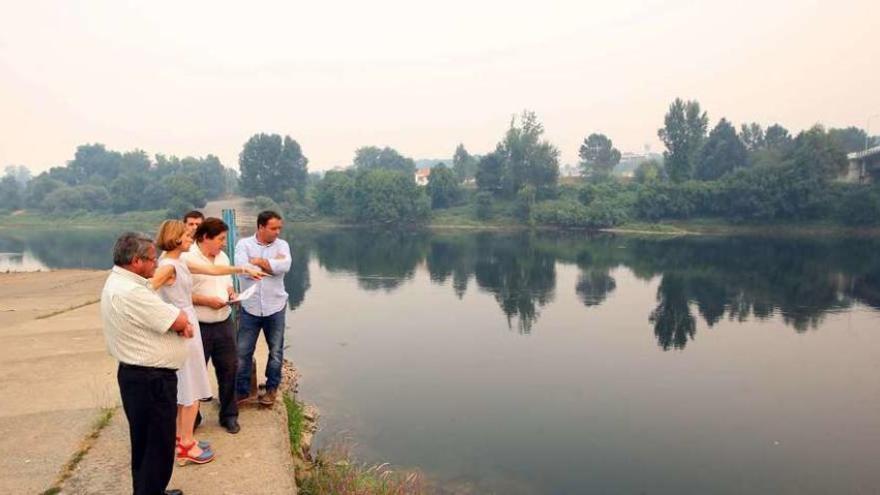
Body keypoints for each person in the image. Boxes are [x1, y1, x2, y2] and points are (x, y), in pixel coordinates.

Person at [150, 220, 263, 466]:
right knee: (190, 387)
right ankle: (186, 446)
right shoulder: (168, 266)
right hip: (186, 325)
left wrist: (242, 270)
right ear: (175, 238)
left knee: (189, 385)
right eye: (187, 235)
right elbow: (147, 291)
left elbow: (213, 271)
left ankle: (183, 439)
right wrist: (172, 317)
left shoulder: (180, 260)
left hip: (188, 321)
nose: (191, 238)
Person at [100, 232, 191, 495]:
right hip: (150, 380)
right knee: (156, 446)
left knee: (146, 444)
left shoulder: (123, 282)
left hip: (141, 378)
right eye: (152, 259)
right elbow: (180, 321)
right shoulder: (131, 292)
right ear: (136, 261)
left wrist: (178, 322)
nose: (157, 265)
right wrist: (181, 322)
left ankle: (151, 491)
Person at [181, 217, 240, 434]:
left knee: (229, 368)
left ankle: (229, 415)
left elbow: (226, 283)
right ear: (205, 237)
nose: (224, 243)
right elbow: (180, 294)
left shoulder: (223, 257)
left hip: (224, 320)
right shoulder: (187, 258)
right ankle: (192, 418)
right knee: (195, 372)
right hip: (198, 324)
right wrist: (207, 301)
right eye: (221, 239)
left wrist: (232, 294)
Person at [234, 210, 291, 406]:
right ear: (260, 227)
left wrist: (257, 261)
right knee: (242, 352)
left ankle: (272, 388)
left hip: (276, 306)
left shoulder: (283, 245)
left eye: (279, 228)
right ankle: (241, 392)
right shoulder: (243, 244)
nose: (277, 232)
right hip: (250, 308)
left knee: (275, 351)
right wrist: (271, 265)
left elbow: (285, 267)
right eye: (273, 228)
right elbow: (242, 269)